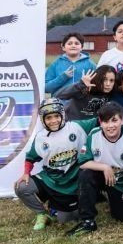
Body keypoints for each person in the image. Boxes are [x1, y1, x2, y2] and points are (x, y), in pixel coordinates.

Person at [66, 102, 123, 236]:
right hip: (100, 176)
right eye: (105, 121)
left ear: (122, 120)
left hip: (120, 181)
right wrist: (104, 167)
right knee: (86, 174)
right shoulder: (94, 134)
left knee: (122, 218)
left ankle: (111, 195)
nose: (110, 126)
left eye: (114, 120)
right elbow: (82, 162)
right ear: (100, 122)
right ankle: (87, 220)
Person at [14, 98, 92, 230]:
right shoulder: (40, 138)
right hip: (51, 180)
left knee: (66, 219)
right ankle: (42, 214)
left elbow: (101, 120)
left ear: (62, 115)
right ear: (42, 119)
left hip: (73, 182)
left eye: (56, 116)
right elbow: (30, 158)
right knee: (21, 187)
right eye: (48, 117)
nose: (53, 121)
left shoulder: (76, 127)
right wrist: (26, 173)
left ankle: (58, 205)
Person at [45, 32, 96, 97]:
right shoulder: (55, 64)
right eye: (69, 43)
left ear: (82, 47)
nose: (73, 46)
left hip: (82, 104)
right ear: (63, 47)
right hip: (59, 104)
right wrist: (63, 77)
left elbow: (97, 86)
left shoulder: (90, 64)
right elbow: (46, 88)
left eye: (76, 43)